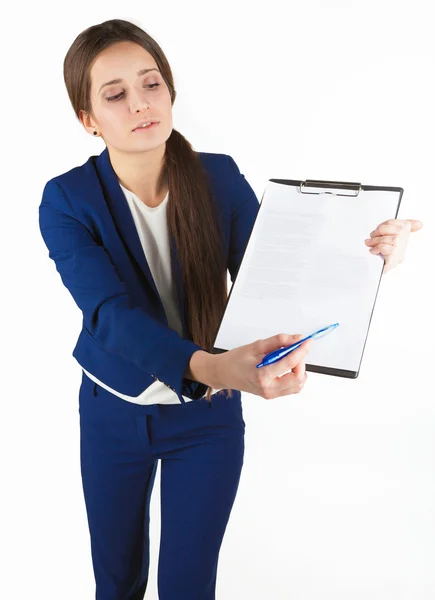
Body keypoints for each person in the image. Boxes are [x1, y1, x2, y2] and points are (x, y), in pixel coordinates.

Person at [38, 18, 423, 600]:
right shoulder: (66, 198)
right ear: (88, 119)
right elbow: (109, 316)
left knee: (190, 586)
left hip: (208, 420)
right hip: (114, 410)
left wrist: (372, 259)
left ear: (170, 90)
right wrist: (215, 368)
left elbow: (275, 280)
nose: (141, 104)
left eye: (152, 84)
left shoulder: (216, 176)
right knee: (116, 583)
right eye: (116, 95)